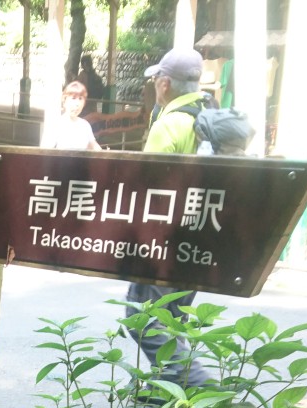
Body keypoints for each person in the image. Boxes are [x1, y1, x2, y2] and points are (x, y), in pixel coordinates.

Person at [124, 47, 214, 390]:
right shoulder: (211, 117)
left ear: (164, 83)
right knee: (173, 318)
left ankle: (192, 382)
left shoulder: (170, 125)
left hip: (165, 244)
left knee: (141, 316)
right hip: (202, 240)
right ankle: (166, 387)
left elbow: (148, 193)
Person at [42, 82, 101, 151]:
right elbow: (44, 153)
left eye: (80, 99)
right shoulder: (55, 125)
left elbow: (95, 148)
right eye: (73, 98)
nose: (77, 104)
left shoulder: (85, 125)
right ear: (64, 101)